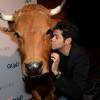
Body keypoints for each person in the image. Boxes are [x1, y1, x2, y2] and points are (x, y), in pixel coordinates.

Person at [51, 21, 90, 100]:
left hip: (87, 93)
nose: (52, 39)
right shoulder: (57, 51)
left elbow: (77, 93)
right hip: (67, 89)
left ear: (67, 41)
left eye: (56, 37)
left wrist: (56, 72)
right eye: (53, 36)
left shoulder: (81, 57)